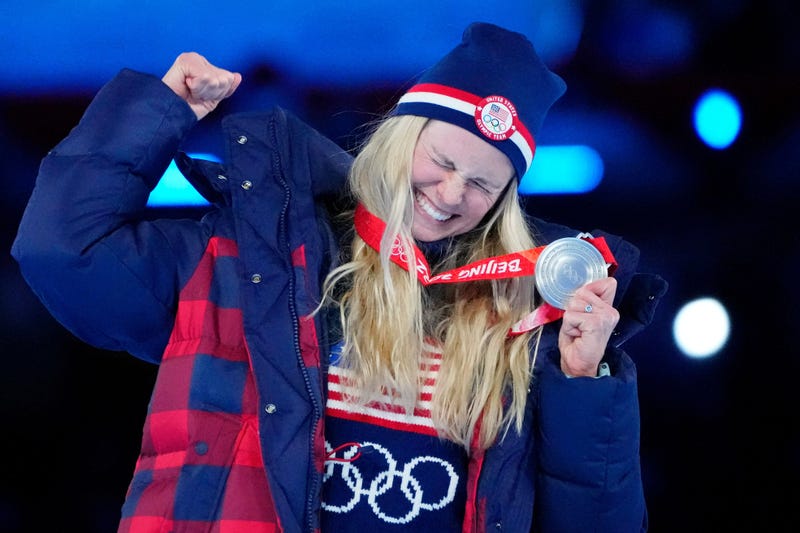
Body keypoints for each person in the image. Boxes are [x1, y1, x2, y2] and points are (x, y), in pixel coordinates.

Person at [12, 22, 666, 533]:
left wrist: (585, 382)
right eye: (440, 161)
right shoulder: (249, 259)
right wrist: (161, 112)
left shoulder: (518, 318)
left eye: (482, 183)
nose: (450, 192)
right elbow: (63, 250)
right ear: (399, 139)